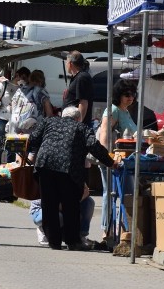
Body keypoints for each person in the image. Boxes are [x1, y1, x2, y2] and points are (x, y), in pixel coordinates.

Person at [26, 106, 116, 251]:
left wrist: (34, 153)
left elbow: (33, 138)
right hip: (69, 169)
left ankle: (54, 242)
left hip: (45, 165)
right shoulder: (81, 127)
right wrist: (110, 162)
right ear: (77, 118)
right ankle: (72, 241)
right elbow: (93, 145)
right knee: (71, 206)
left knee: (49, 205)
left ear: (62, 116)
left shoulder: (49, 122)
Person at [96, 79, 138, 239]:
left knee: (126, 193)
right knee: (110, 193)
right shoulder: (113, 109)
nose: (130, 97)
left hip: (124, 161)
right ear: (118, 95)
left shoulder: (125, 111)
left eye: (132, 94)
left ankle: (124, 232)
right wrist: (107, 158)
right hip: (112, 160)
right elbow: (105, 135)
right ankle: (106, 231)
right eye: (126, 94)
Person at [29, 183, 95, 248]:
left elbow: (85, 190)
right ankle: (44, 230)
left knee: (89, 202)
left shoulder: (72, 174)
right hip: (42, 211)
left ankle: (80, 235)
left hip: (65, 208)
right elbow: (56, 205)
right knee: (58, 216)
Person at [64, 51, 93, 122]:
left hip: (76, 124)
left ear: (70, 63)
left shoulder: (82, 77)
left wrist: (78, 124)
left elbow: (83, 102)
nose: (66, 65)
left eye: (66, 62)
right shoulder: (77, 77)